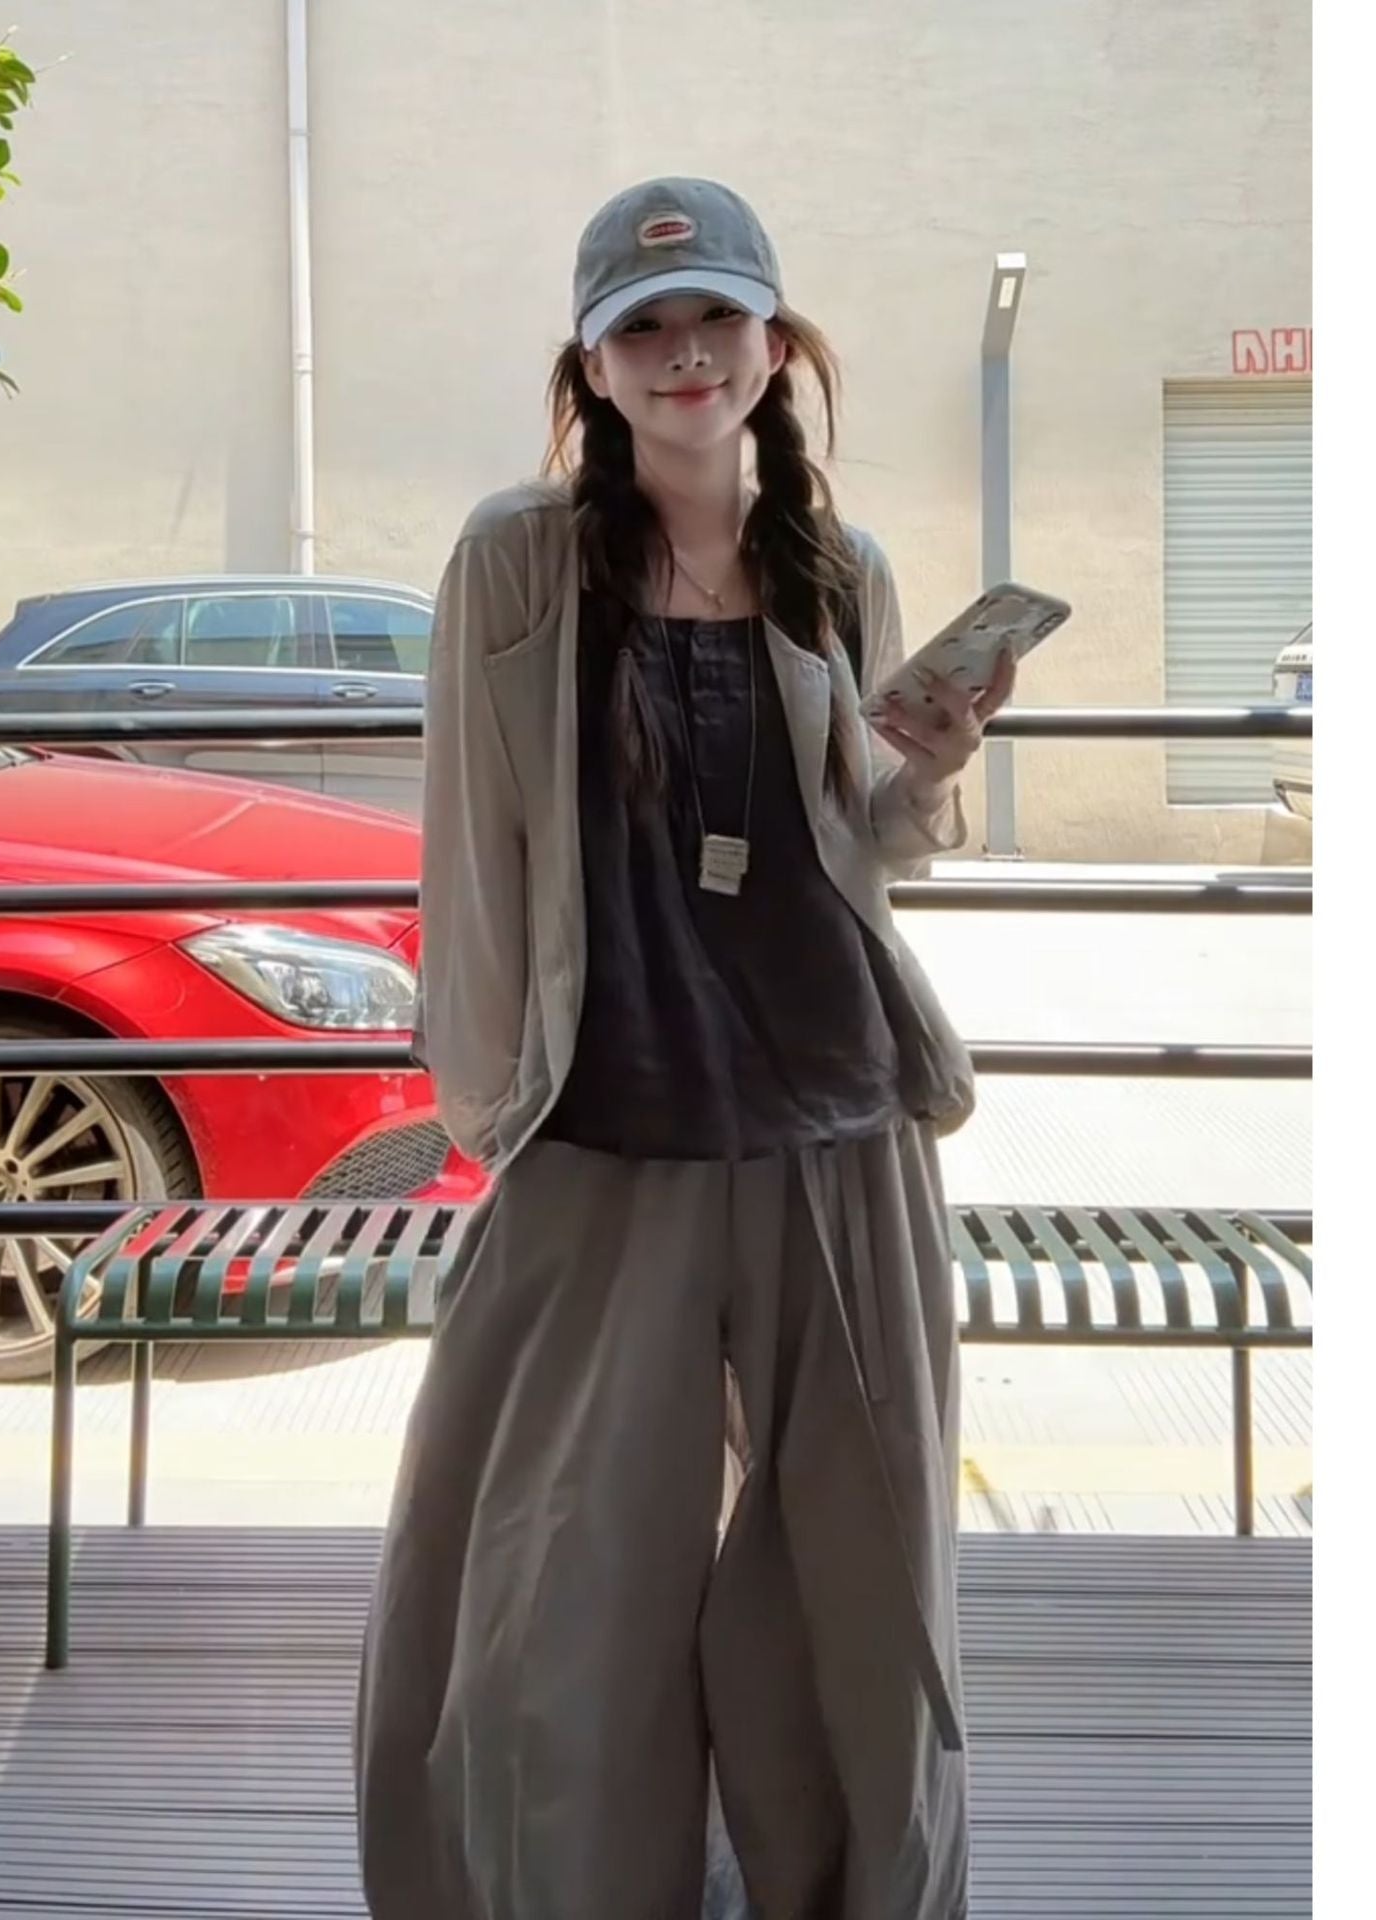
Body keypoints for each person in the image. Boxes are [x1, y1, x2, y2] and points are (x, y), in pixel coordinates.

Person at [355, 176, 1016, 1919]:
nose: (685, 353)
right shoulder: (518, 559)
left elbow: (864, 842)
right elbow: (467, 834)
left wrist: (932, 766)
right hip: (605, 1130)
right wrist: (490, 1099)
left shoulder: (839, 569)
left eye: (717, 317)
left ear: (774, 347)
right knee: (551, 1592)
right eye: (643, 327)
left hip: (833, 1129)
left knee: (856, 1591)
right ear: (592, 365)